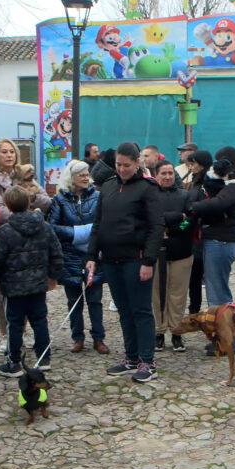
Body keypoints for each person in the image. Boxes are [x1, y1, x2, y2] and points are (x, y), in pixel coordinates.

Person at [86, 142, 164, 382]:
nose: (121, 169)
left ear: (136, 163)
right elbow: (98, 224)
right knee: (123, 311)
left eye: (126, 165)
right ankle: (131, 357)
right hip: (111, 259)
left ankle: (147, 361)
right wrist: (91, 256)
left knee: (141, 310)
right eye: (118, 165)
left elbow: (155, 227)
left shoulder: (147, 188)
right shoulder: (108, 187)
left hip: (136, 259)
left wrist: (148, 261)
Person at [0, 138, 51, 354]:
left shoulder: (23, 173)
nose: (9, 155)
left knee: (27, 285)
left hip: (28, 238)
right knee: (1, 288)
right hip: (1, 236)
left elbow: (45, 200)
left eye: (12, 151)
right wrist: (23, 211)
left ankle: (24, 330)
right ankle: (4, 333)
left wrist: (27, 199)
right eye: (4, 152)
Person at [0, 186, 64, 376]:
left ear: (7, 205)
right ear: (29, 202)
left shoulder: (5, 231)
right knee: (40, 320)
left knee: (14, 323)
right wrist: (53, 275)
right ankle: (44, 357)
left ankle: (14, 361)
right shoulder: (44, 226)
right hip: (38, 283)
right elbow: (56, 252)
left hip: (13, 287)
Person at [48, 159, 110, 355]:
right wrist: (78, 233)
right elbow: (52, 227)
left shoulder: (97, 197)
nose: (85, 178)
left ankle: (98, 338)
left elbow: (104, 221)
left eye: (86, 174)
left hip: (94, 255)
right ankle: (77, 338)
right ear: (71, 177)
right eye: (81, 175)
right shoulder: (59, 200)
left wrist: (92, 236)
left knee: (95, 299)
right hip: (70, 255)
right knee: (73, 300)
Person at [193, 147, 235, 329]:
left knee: (218, 294)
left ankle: (226, 338)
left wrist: (192, 206)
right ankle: (224, 336)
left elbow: (219, 203)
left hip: (220, 241)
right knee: (217, 291)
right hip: (221, 241)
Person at [151, 160, 193, 352]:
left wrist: (176, 228)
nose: (167, 177)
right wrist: (176, 216)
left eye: (170, 173)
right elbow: (152, 219)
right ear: (156, 175)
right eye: (163, 173)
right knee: (157, 294)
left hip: (181, 251)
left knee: (178, 294)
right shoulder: (150, 196)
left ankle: (177, 332)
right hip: (156, 251)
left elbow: (191, 219)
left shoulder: (185, 195)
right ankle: (158, 331)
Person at [185, 149, 214, 314]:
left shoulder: (207, 184)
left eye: (193, 163)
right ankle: (194, 310)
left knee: (206, 277)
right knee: (193, 278)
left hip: (203, 235)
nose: (191, 167)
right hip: (192, 235)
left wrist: (182, 225)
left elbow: (199, 211)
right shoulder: (194, 182)